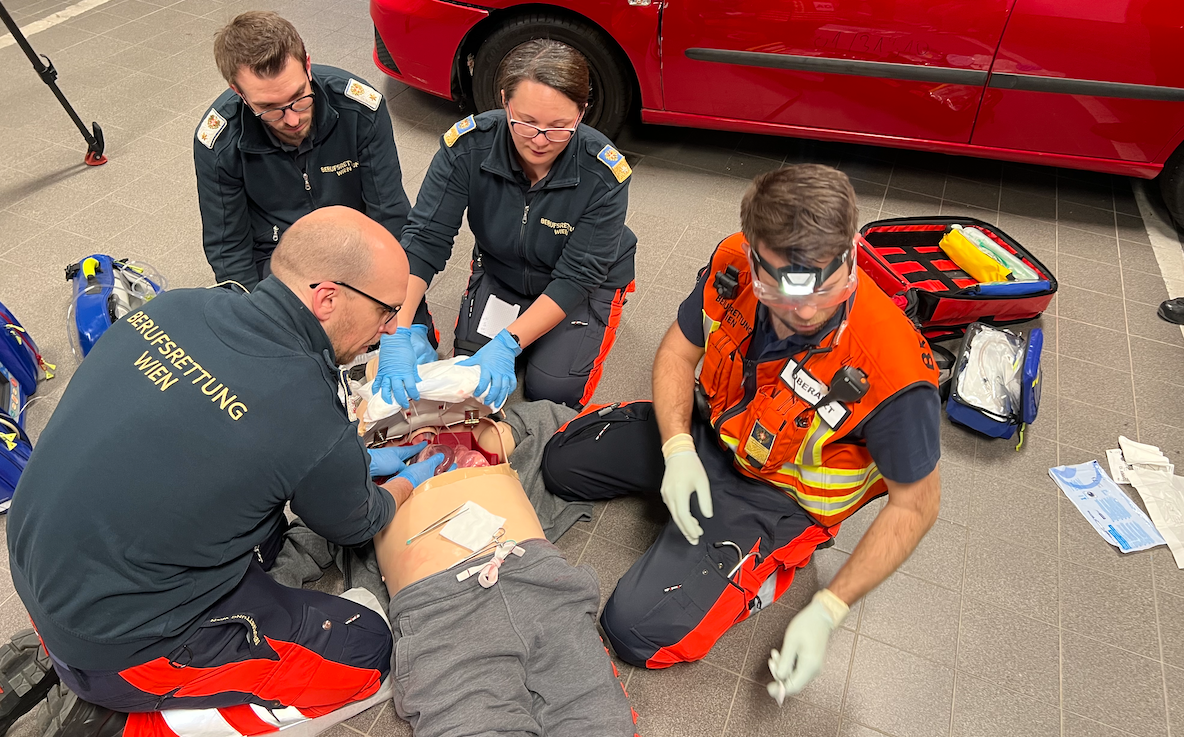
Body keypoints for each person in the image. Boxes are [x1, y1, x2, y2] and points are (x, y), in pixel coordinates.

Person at [5, 207, 444, 737]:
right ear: (327, 298)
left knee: (261, 534)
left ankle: (78, 658)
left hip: (37, 571)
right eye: (387, 310)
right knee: (366, 650)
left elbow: (213, 435)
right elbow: (355, 523)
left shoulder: (173, 306)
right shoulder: (305, 403)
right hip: (121, 644)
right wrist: (400, 485)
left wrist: (344, 459)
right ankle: (128, 723)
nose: (391, 327)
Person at [541, 165, 942, 701]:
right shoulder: (732, 264)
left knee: (635, 633)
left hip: (777, 498)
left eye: (822, 284)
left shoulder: (894, 373)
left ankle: (769, 568)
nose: (803, 309)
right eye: (781, 284)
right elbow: (679, 354)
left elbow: (916, 507)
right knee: (560, 464)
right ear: (755, 259)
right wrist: (678, 447)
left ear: (848, 256)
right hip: (710, 434)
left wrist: (829, 609)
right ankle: (682, 484)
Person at [373, 39, 636, 412]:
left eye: (559, 127)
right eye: (525, 122)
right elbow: (425, 237)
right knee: (469, 366)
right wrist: (398, 328)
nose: (540, 141)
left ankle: (601, 311)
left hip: (580, 283)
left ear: (582, 113)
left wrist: (509, 342)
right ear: (504, 101)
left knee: (552, 389)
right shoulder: (467, 146)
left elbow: (578, 275)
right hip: (503, 269)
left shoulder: (604, 173)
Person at [370, 412, 638, 737]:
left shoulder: (481, 436)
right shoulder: (351, 473)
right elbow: (312, 532)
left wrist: (498, 427)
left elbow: (560, 421)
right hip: (442, 607)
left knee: (601, 723)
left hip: (536, 578)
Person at [193, 12, 418, 311]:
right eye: (269, 108)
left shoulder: (359, 111)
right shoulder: (219, 144)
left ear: (308, 65)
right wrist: (257, 317)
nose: (292, 118)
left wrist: (397, 310)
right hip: (279, 262)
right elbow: (229, 250)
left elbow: (389, 213)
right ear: (239, 93)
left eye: (299, 97)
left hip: (357, 249)